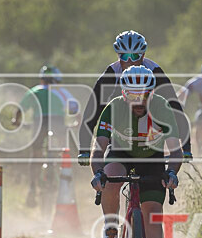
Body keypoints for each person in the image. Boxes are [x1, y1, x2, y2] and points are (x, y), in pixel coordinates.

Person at [89, 66, 182, 238]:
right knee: (110, 178)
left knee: (152, 214)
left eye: (144, 95)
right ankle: (111, 227)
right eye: (132, 95)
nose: (139, 101)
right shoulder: (113, 108)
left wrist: (171, 172)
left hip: (152, 160)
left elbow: (175, 150)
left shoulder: (162, 107)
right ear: (123, 94)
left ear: (152, 93)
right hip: (121, 154)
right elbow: (99, 148)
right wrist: (97, 174)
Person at [78, 30, 191, 166]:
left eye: (135, 56)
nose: (130, 61)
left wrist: (186, 147)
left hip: (148, 126)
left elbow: (175, 108)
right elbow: (92, 111)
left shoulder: (154, 71)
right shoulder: (111, 73)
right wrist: (84, 149)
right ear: (118, 55)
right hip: (121, 124)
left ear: (143, 55)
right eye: (125, 56)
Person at [12, 65, 78, 207]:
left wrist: (16, 121)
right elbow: (75, 109)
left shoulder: (35, 91)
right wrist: (77, 120)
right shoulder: (62, 92)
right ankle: (62, 174)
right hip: (58, 124)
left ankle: (32, 187)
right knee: (63, 151)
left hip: (39, 124)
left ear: (42, 80)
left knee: (35, 154)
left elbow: (19, 110)